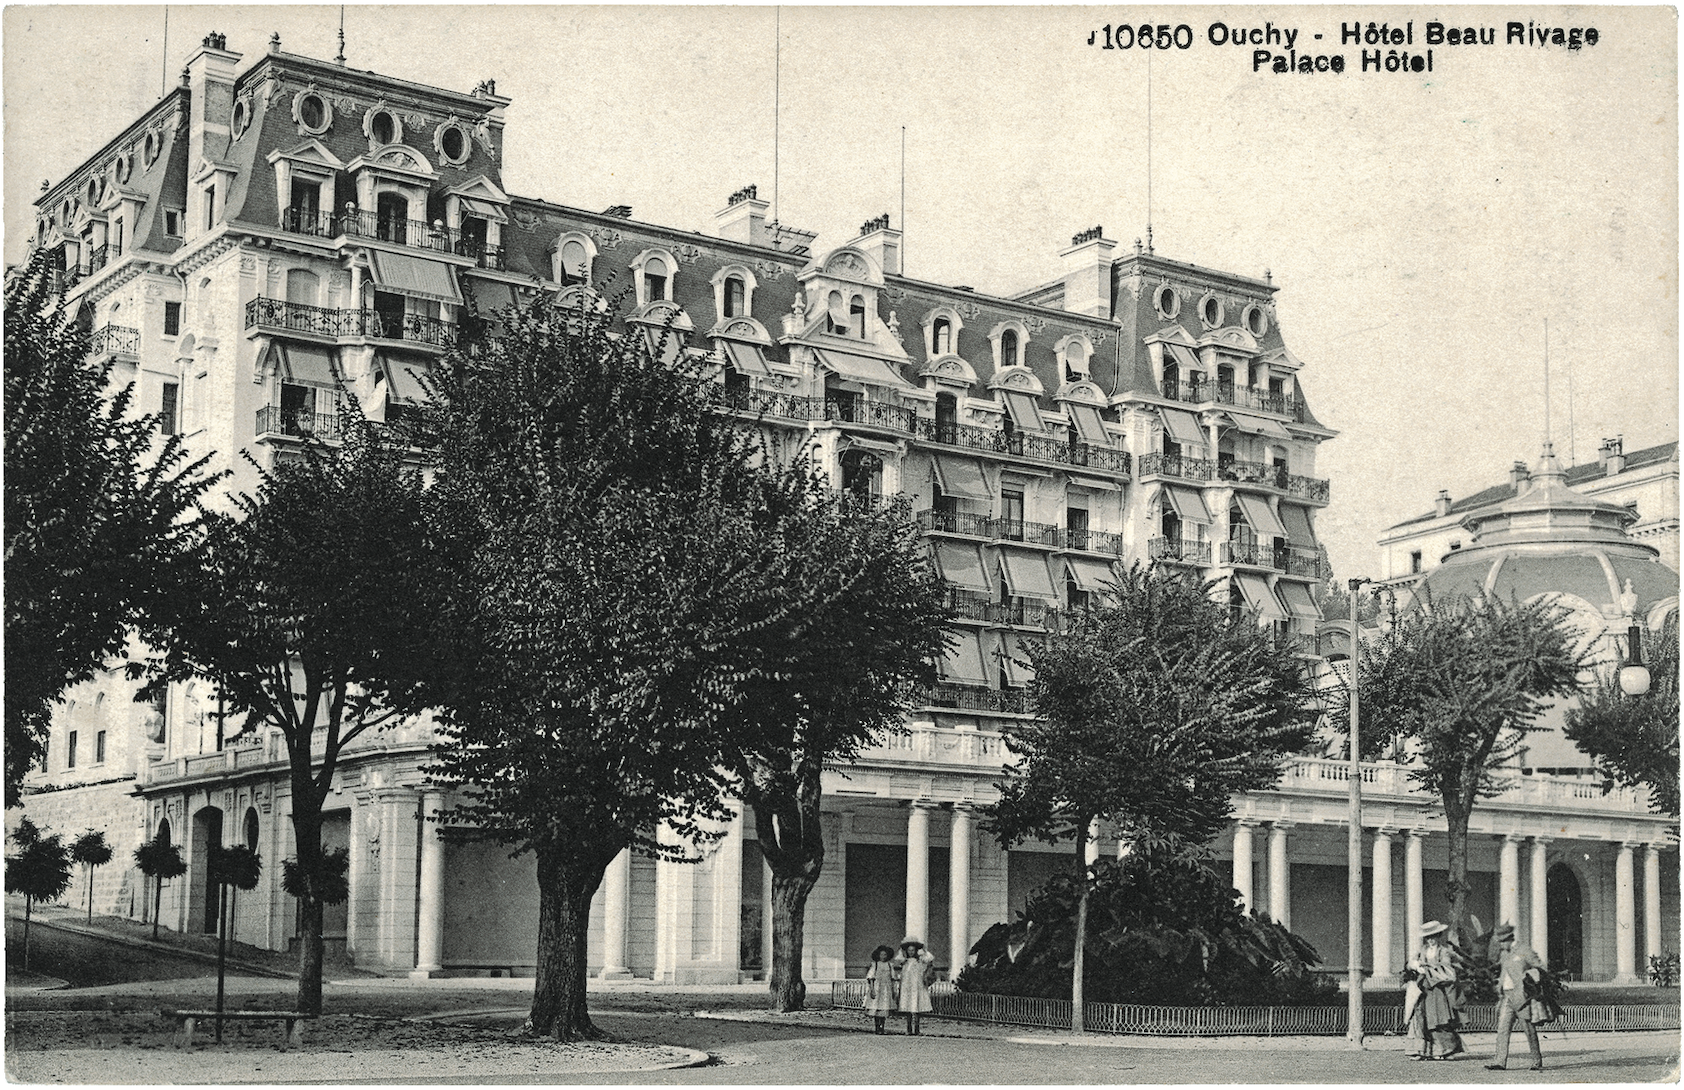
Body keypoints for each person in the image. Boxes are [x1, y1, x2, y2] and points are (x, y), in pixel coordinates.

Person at [1485, 924, 1547, 1071]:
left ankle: (1536, 1061)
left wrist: (1530, 977)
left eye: (1502, 942)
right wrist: (1499, 988)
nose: (1500, 945)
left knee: (1528, 1029)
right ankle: (1499, 1062)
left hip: (1522, 997)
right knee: (1502, 1029)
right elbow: (1503, 973)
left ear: (1508, 939)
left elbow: (1540, 967)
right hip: (1507, 997)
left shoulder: (1523, 950)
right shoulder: (1504, 954)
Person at [1405, 920, 1465, 1060]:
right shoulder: (1422, 951)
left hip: (1438, 991)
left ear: (1439, 936)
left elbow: (1446, 970)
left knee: (1439, 1020)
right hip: (1423, 990)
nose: (1430, 940)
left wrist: (1426, 969)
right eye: (1428, 937)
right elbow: (1410, 964)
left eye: (1433, 937)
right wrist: (1414, 965)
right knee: (1420, 1018)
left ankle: (1444, 1051)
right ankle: (1420, 1051)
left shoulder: (1444, 951)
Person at [894, 935, 935, 1035]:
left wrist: (924, 949)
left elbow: (930, 958)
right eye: (909, 950)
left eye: (913, 950)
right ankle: (909, 1028)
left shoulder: (920, 960)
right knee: (908, 1007)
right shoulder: (904, 961)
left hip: (917, 986)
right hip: (907, 987)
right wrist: (902, 949)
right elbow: (898, 958)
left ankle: (916, 1028)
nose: (911, 952)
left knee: (916, 1007)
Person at [864, 944, 899, 1034]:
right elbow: (871, 978)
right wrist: (872, 989)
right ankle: (877, 1027)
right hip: (877, 988)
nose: (883, 957)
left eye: (885, 955)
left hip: (886, 989)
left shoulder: (889, 965)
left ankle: (882, 1027)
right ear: (878, 955)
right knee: (876, 1008)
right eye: (881, 955)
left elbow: (892, 979)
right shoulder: (875, 965)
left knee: (883, 1008)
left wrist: (893, 990)